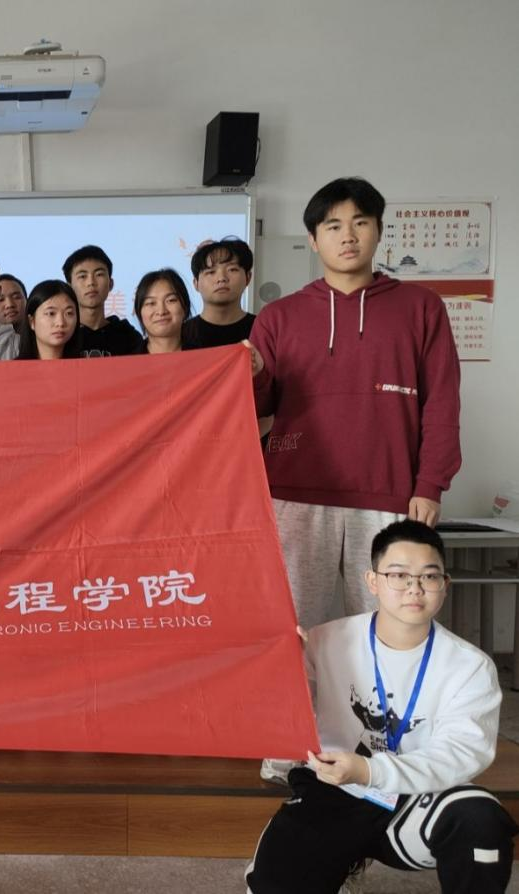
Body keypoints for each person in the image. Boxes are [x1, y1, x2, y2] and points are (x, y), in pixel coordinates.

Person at [245, 520, 517, 894]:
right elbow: (279, 717)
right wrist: (279, 666)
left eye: (429, 576)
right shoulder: (324, 640)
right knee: (273, 881)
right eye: (399, 575)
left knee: (480, 820)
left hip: (418, 797)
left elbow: (461, 753)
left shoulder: (470, 665)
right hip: (334, 790)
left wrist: (371, 770)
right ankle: (337, 858)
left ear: (445, 585)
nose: (415, 588)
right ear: (372, 581)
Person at [248, 177, 462, 632]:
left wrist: (430, 485)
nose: (347, 236)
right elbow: (260, 408)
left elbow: (442, 402)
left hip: (390, 494)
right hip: (294, 496)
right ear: (313, 239)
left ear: (379, 230)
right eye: (333, 226)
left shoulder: (421, 308)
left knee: (391, 630)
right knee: (292, 631)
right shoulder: (278, 317)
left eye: (360, 223)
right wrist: (255, 374)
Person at [62, 245, 142, 357]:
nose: (91, 283)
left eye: (99, 274)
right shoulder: (63, 334)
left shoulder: (127, 335)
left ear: (110, 284)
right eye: (82, 276)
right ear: (69, 287)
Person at [182, 237, 257, 349]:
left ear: (248, 277)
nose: (221, 278)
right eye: (211, 272)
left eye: (232, 269)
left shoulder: (263, 329)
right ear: (196, 283)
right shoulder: (181, 335)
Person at [16, 280, 83, 360]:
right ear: (31, 321)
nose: (60, 323)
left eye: (69, 313)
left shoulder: (86, 366)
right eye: (51, 313)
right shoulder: (13, 367)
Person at [132, 268, 193, 354]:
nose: (161, 311)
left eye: (170, 300)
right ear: (139, 313)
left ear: (185, 307)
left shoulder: (206, 356)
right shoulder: (129, 360)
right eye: (151, 303)